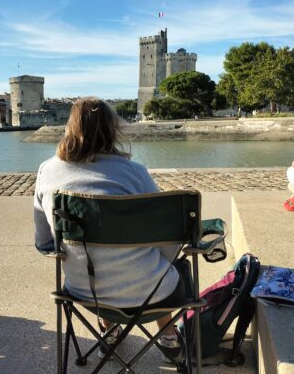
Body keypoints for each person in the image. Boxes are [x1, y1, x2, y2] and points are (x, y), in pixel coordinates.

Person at [34, 97, 185, 359]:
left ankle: (109, 331)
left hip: (82, 292)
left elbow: (44, 242)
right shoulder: (135, 173)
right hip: (151, 294)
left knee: (97, 262)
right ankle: (170, 338)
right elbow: (169, 237)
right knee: (166, 266)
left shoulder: (47, 171)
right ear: (113, 130)